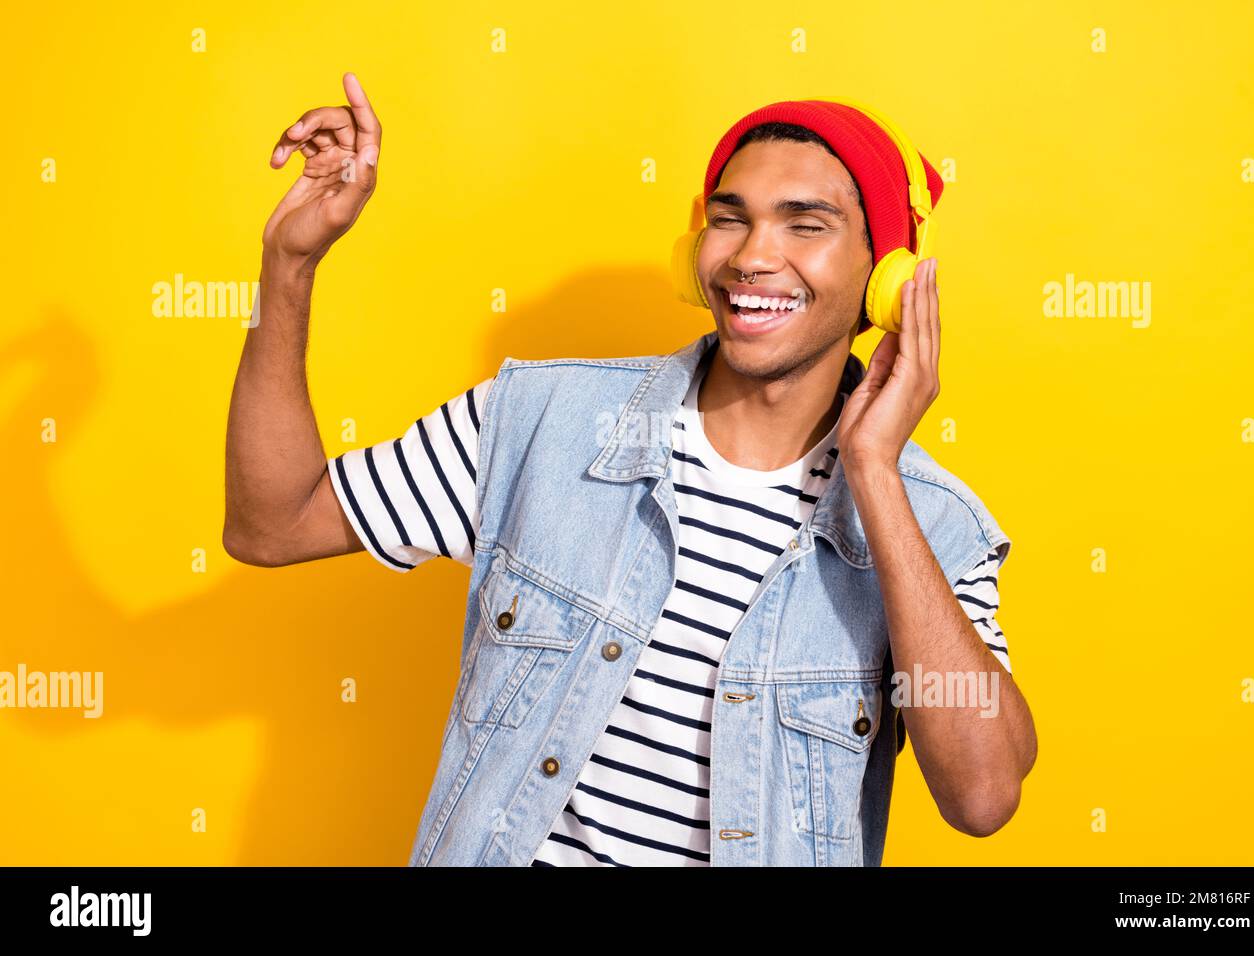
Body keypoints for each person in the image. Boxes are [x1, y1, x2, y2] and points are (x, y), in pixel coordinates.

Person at [224, 74, 1037, 867]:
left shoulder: (935, 525)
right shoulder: (540, 421)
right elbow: (271, 523)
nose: (754, 255)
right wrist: (289, 264)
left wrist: (875, 472)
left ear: (890, 280)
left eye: (805, 225)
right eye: (730, 218)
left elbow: (983, 797)